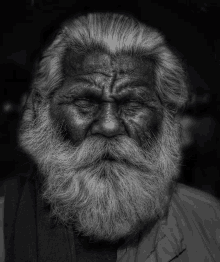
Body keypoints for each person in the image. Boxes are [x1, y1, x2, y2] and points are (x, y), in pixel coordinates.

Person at [1, 12, 220, 262]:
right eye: (84, 101)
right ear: (43, 112)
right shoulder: (6, 217)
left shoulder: (210, 223)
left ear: (166, 119)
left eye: (133, 103)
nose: (108, 125)